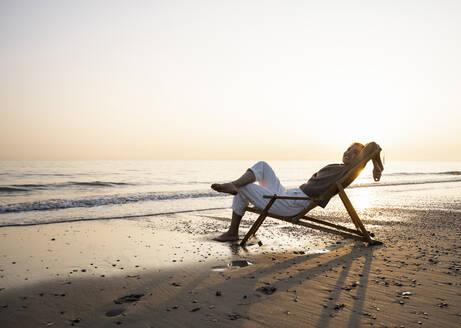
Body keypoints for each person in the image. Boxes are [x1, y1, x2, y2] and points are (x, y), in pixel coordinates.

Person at [211, 142, 384, 242]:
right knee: (262, 166)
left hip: (293, 204)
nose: (348, 153)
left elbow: (374, 146)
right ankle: (234, 186)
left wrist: (377, 166)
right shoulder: (338, 167)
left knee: (245, 188)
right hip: (289, 195)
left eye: (354, 153)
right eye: (348, 149)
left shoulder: (349, 171)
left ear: (360, 160)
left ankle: (233, 230)